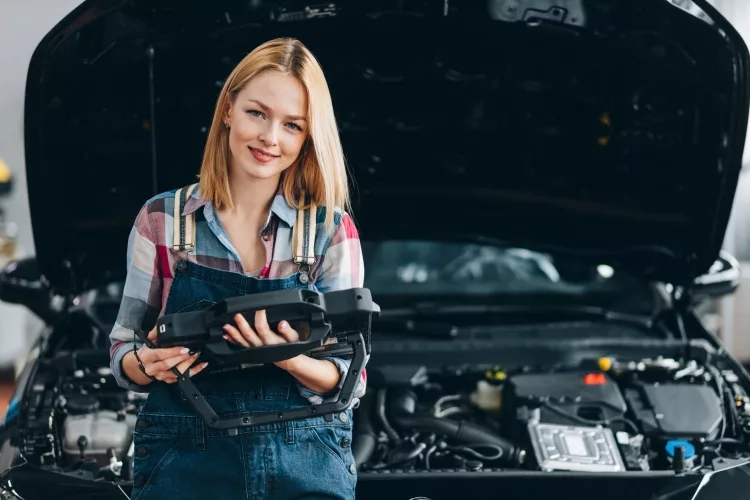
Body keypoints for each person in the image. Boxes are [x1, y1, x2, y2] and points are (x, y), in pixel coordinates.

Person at [109, 38, 367, 500]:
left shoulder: (330, 231)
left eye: (292, 125)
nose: (271, 137)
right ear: (228, 108)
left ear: (308, 136)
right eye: (257, 113)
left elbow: (351, 377)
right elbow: (125, 347)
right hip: (184, 456)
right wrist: (147, 364)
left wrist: (285, 357)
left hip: (306, 456)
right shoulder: (163, 221)